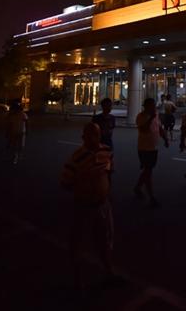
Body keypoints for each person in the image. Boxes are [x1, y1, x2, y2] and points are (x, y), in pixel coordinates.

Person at [61, 122, 115, 289]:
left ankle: (109, 273)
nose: (93, 138)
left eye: (96, 134)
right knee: (78, 242)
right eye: (89, 135)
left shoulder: (106, 151)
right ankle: (78, 281)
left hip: (102, 205)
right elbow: (65, 182)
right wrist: (84, 187)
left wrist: (105, 191)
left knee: (105, 240)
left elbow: (109, 172)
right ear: (83, 137)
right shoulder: (76, 158)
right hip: (84, 205)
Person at [134, 97, 169, 208]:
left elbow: (159, 128)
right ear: (146, 106)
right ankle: (151, 196)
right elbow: (143, 129)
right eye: (152, 105)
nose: (154, 107)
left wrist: (165, 139)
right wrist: (151, 118)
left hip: (154, 147)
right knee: (148, 171)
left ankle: (138, 187)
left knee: (147, 170)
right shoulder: (140, 116)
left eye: (154, 105)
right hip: (144, 148)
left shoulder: (155, 115)